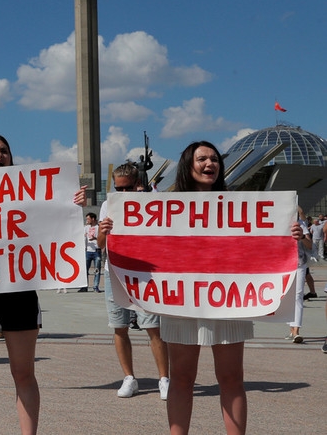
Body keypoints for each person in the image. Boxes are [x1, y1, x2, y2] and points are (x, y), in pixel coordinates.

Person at [161, 141, 304, 434]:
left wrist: (291, 235)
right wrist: (107, 234)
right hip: (181, 298)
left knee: (231, 378)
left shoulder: (239, 205)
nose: (209, 163)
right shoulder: (163, 206)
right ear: (188, 164)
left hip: (228, 299)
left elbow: (263, 248)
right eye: (202, 159)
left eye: (214, 159)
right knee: (181, 378)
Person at [0, 135, 85, 435]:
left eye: (4, 150)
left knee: (24, 373)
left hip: (20, 289)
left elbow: (54, 224)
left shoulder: (29, 194)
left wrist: (70, 204)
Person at [97, 162, 169, 400]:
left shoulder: (151, 203)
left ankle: (163, 379)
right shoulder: (109, 205)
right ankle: (129, 377)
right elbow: (99, 245)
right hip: (115, 271)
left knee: (153, 326)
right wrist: (103, 231)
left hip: (144, 273)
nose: (123, 194)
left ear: (139, 185)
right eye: (119, 189)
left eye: (128, 188)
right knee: (119, 327)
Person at [287, 210, 312, 343]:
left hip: (299, 264)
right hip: (283, 264)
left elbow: (310, 245)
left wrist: (302, 237)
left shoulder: (301, 225)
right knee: (287, 296)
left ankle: (296, 330)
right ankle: (292, 328)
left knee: (298, 295)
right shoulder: (281, 223)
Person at [82, 212, 101, 292]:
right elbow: (83, 238)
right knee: (85, 269)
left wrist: (95, 238)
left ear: (93, 219)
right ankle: (84, 286)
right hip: (88, 251)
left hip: (97, 251)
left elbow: (102, 239)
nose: (87, 220)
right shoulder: (86, 228)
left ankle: (95, 286)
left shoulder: (99, 228)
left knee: (97, 269)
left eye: (88, 219)